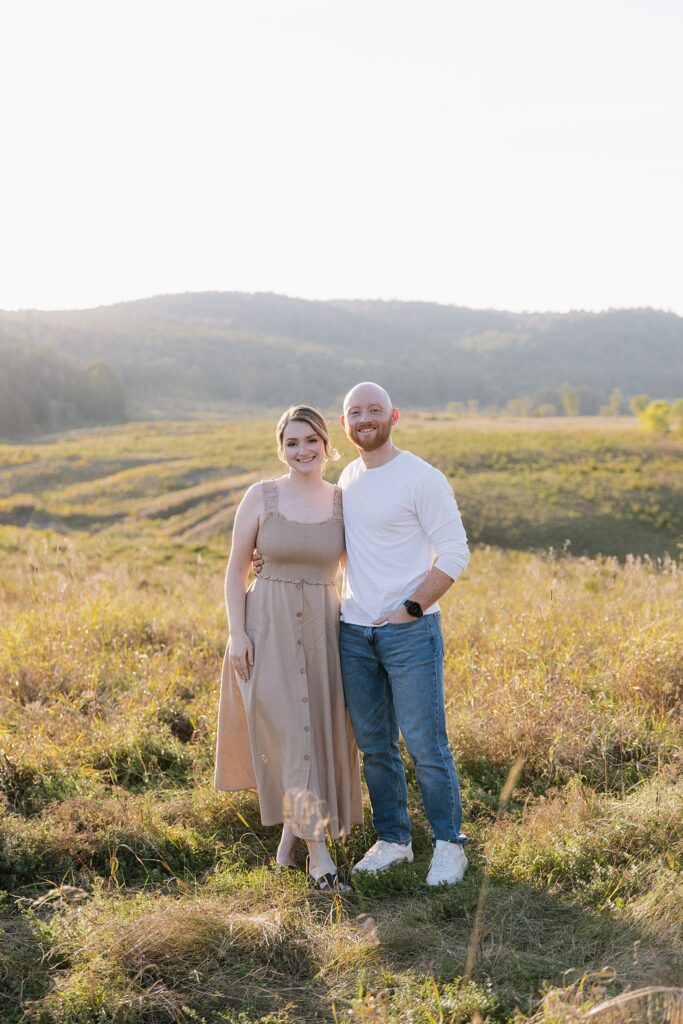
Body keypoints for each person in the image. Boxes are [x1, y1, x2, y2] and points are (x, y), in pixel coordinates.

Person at [255, 382, 470, 885]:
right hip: (352, 633)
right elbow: (326, 543)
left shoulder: (421, 477)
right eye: (356, 412)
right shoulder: (347, 480)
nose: (365, 418)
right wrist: (269, 559)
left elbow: (455, 552)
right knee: (375, 746)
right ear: (345, 425)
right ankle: (394, 839)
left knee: (426, 744)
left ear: (393, 416)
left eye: (375, 410)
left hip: (409, 632)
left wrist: (410, 608)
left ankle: (449, 844)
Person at [214, 406, 363, 891]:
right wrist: (238, 633)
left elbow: (363, 563)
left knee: (311, 735)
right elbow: (236, 570)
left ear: (326, 444)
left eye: (311, 440)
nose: (303, 451)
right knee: (291, 738)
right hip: (266, 630)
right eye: (292, 443)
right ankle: (319, 857)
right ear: (281, 449)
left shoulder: (343, 501)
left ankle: (287, 848)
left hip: (323, 632)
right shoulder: (261, 496)